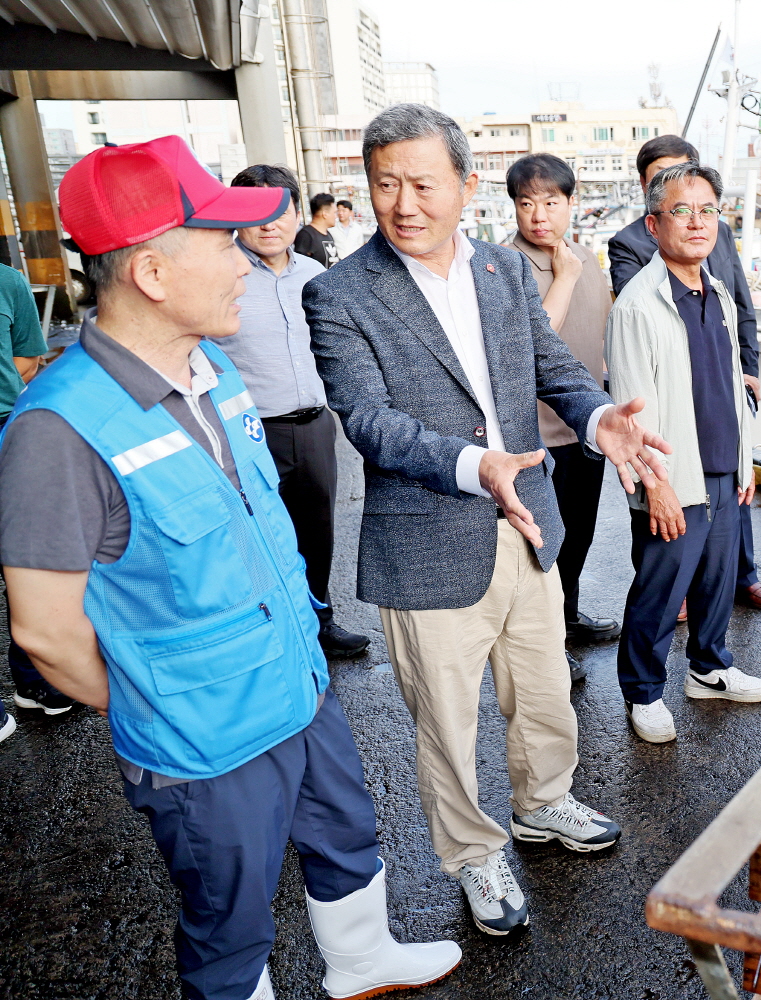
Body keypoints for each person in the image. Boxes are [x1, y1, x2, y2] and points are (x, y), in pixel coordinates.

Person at [0, 134, 460, 1000]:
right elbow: (46, 636)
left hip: (297, 678)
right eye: (221, 239)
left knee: (344, 829)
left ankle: (360, 959)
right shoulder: (54, 432)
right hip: (204, 742)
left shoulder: (210, 363)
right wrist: (165, 700)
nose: (247, 255)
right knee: (230, 915)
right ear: (152, 272)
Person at [305, 104, 670, 937]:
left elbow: (553, 368)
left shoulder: (505, 271)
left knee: (544, 691)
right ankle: (473, 854)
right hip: (427, 537)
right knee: (446, 719)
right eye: (385, 183)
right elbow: (366, 418)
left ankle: (544, 804)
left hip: (528, 528)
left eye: (423, 183)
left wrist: (599, 417)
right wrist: (477, 467)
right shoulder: (340, 292)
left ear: (465, 186)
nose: (404, 203)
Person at [607, 162, 761, 744]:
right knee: (661, 586)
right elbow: (631, 413)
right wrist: (657, 485)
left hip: (725, 465)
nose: (697, 222)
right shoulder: (637, 304)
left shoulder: (720, 293)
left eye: (708, 210)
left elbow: (731, 384)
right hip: (674, 474)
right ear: (654, 224)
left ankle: (708, 667)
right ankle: (644, 692)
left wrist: (746, 459)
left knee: (717, 579)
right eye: (682, 211)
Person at [216, 164, 369, 657]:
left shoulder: (315, 273)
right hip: (246, 430)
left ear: (297, 212)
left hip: (315, 425)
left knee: (318, 530)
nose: (268, 224)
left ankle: (319, 621)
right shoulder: (222, 274)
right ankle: (270, 631)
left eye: (279, 210)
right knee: (255, 535)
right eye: (254, 212)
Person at [503, 155, 619, 663]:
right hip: (537, 436)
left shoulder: (584, 257)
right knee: (541, 546)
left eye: (551, 202)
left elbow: (603, 328)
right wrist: (566, 276)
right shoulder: (503, 264)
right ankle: (546, 647)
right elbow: (528, 343)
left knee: (579, 534)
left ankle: (568, 618)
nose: (539, 215)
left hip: (586, 427)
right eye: (526, 203)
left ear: (572, 203)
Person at [0, 262, 74, 717]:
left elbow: (26, 360)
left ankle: (36, 682)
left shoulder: (7, 280)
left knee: (26, 558)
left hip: (7, 430)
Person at [295, 192, 339, 268]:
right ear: (325, 214)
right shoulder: (306, 235)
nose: (336, 217)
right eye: (334, 213)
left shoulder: (328, 234)